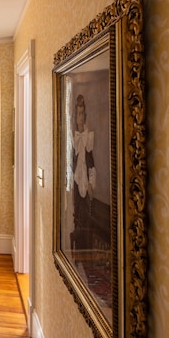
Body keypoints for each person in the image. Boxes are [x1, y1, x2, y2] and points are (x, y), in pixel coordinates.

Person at [71, 94, 96, 251]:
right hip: (74, 180)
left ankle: (85, 249)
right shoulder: (73, 137)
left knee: (86, 216)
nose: (80, 117)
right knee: (76, 214)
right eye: (77, 114)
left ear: (85, 115)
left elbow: (91, 162)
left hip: (85, 182)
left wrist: (91, 183)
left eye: (82, 114)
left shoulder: (88, 137)